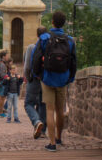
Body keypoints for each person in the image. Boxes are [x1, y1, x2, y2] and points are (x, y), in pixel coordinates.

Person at [32, 11, 77, 152]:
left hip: (48, 78)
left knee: (49, 110)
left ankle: (52, 143)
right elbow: (74, 62)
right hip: (63, 79)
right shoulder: (69, 41)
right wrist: (70, 77)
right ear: (63, 23)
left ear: (52, 22)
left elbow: (36, 58)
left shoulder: (45, 38)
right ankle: (59, 137)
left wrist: (38, 75)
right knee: (60, 110)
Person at [24, 26, 47, 138]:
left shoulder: (32, 47)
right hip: (46, 80)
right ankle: (42, 131)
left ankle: (37, 121)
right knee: (43, 104)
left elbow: (27, 67)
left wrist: (28, 79)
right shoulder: (49, 47)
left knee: (28, 103)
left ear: (37, 35)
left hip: (35, 80)